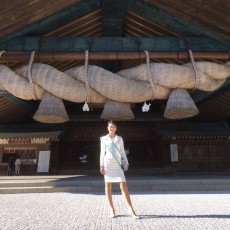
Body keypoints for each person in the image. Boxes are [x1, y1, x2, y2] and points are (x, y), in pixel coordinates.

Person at [100, 120, 139, 219]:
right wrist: (101, 165)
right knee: (108, 186)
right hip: (108, 164)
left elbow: (122, 152)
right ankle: (112, 209)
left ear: (116, 128)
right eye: (110, 127)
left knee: (124, 186)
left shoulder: (119, 139)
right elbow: (102, 153)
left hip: (117, 164)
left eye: (113, 127)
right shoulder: (104, 139)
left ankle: (131, 209)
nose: (112, 128)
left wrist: (126, 162)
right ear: (107, 128)